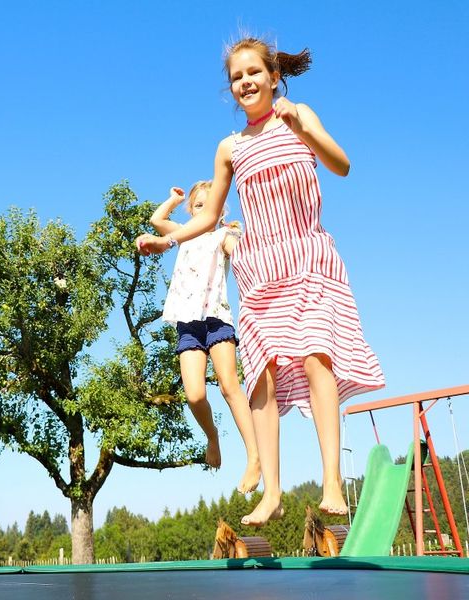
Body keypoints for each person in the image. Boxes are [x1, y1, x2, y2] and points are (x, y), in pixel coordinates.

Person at [136, 37, 384, 525]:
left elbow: (343, 165)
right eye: (236, 77)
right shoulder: (230, 147)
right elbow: (208, 219)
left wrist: (301, 130)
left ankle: (332, 481)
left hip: (307, 254)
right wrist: (168, 241)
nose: (245, 82)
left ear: (273, 76)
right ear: (231, 89)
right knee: (261, 376)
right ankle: (272, 492)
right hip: (259, 267)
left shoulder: (300, 115)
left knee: (316, 356)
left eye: (253, 72)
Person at [150, 182, 260, 494]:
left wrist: (238, 238)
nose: (204, 210)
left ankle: (254, 457)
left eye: (211, 205)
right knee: (195, 395)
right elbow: (158, 221)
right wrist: (173, 199)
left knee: (228, 385)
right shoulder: (184, 233)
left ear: (221, 209)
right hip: (188, 321)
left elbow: (239, 253)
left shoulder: (223, 234)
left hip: (215, 317)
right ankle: (213, 437)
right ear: (192, 212)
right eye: (199, 206)